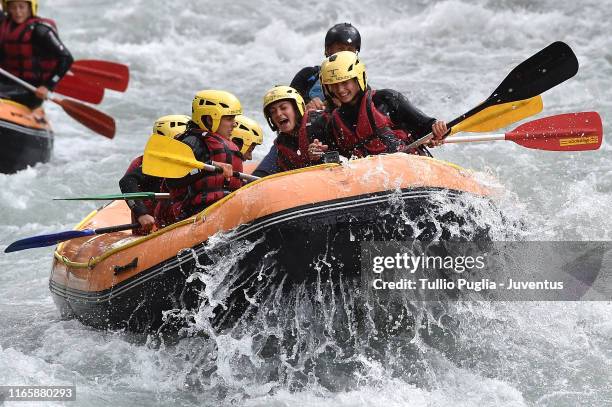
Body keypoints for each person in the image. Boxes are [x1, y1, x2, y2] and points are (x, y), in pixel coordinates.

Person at [302, 51, 448, 163]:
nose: (340, 90)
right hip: (373, 184)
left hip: (411, 170)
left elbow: (427, 126)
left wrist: (437, 130)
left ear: (358, 78)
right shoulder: (332, 123)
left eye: (345, 82)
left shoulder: (387, 100)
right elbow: (335, 161)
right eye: (334, 85)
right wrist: (318, 154)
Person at [165, 90, 244, 222]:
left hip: (222, 208)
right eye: (229, 119)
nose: (234, 124)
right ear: (209, 119)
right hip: (194, 214)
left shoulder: (221, 143)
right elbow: (172, 181)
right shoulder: (191, 143)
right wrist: (208, 166)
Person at [119, 115, 190, 235]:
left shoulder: (190, 159)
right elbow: (126, 182)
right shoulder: (144, 163)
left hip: (179, 224)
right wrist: (142, 214)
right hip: (151, 232)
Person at [0, 0, 73, 108]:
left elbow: (66, 59)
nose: (17, 12)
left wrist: (47, 86)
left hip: (31, 89)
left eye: (21, 7)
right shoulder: (4, 24)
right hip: (7, 81)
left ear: (30, 8)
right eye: (13, 7)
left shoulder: (40, 30)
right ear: (8, 9)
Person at [290, 22, 360, 111]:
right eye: (340, 49)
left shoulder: (360, 83)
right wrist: (304, 108)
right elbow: (288, 111)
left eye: (350, 50)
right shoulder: (307, 76)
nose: (345, 54)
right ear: (327, 50)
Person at [253, 85, 308, 178]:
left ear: (296, 109)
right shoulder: (280, 145)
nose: (278, 114)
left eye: (283, 108)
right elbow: (262, 172)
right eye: (273, 111)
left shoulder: (320, 125)